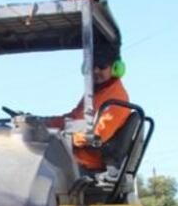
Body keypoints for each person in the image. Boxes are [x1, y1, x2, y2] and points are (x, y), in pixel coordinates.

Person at [45, 42, 131, 172]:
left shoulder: (117, 99)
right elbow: (74, 118)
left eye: (101, 66)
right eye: (92, 66)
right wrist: (45, 123)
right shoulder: (95, 93)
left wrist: (64, 137)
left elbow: (98, 135)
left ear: (116, 68)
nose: (96, 71)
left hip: (87, 162)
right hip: (71, 157)